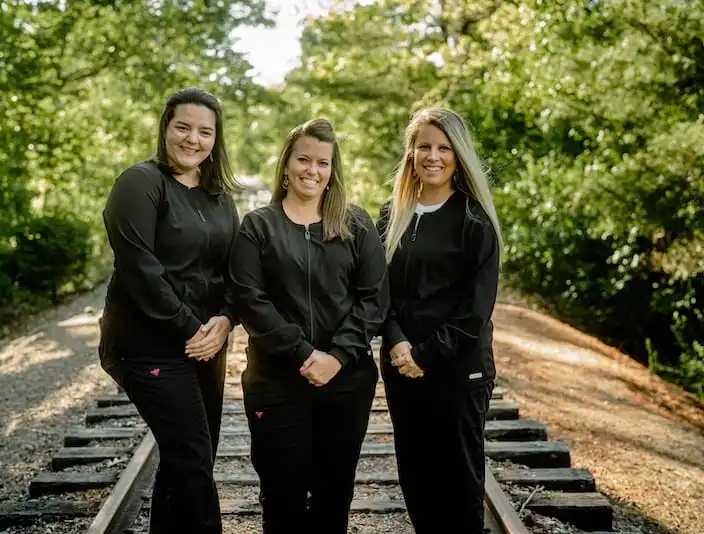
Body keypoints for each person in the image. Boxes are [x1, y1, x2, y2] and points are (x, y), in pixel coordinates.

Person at [228, 118, 388, 533]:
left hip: (346, 380)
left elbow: (374, 298)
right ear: (286, 164)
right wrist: (303, 354)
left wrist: (337, 356)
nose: (311, 170)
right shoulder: (258, 226)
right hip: (276, 380)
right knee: (282, 492)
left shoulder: (355, 224)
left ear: (333, 170)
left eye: (322, 163)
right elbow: (250, 300)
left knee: (334, 491)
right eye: (303, 159)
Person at [98, 87, 240, 533]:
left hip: (206, 344)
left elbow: (236, 268)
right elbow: (141, 270)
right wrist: (191, 328)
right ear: (165, 128)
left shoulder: (220, 196)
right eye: (183, 127)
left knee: (190, 458)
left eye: (205, 132)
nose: (193, 139)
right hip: (147, 345)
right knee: (192, 457)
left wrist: (225, 320)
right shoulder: (140, 184)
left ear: (215, 139)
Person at [376, 107, 503, 533]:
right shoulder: (392, 215)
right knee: (416, 476)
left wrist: (424, 356)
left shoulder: (474, 220)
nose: (433, 156)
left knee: (458, 484)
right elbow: (379, 291)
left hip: (458, 371)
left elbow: (475, 310)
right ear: (410, 153)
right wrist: (396, 342)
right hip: (401, 368)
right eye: (424, 147)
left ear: (458, 155)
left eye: (444, 148)